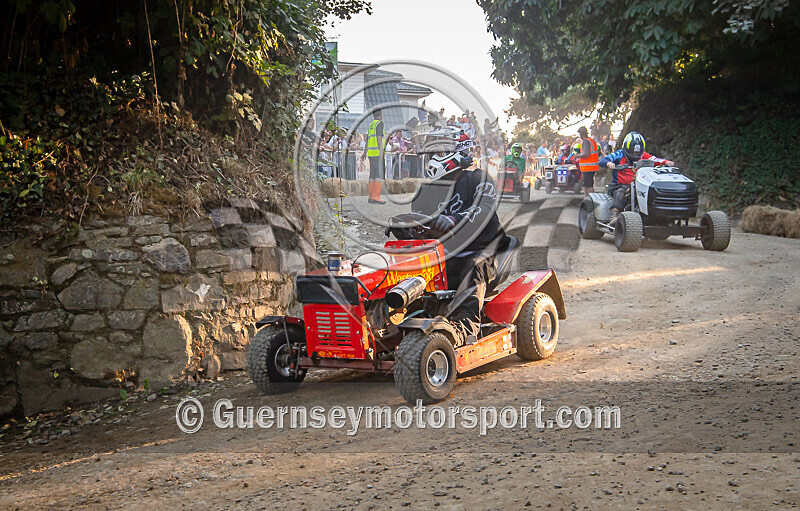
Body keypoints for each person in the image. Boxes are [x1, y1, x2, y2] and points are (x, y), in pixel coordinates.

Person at [423, 132, 505, 346]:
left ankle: (464, 328)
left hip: (483, 251)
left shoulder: (479, 178)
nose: (432, 157)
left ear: (455, 153)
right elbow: (425, 221)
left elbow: (484, 209)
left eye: (438, 152)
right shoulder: (432, 190)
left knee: (472, 266)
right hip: (448, 252)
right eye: (431, 153)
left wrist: (453, 219)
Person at [599, 131, 674, 222]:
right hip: (620, 184)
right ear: (626, 148)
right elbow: (604, 160)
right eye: (632, 151)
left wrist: (665, 162)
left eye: (637, 152)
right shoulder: (619, 154)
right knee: (622, 192)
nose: (635, 154)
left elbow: (655, 159)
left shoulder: (644, 155)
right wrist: (609, 163)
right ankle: (614, 214)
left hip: (639, 183)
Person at [361, 110, 385, 203]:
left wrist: (364, 153)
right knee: (377, 175)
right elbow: (379, 138)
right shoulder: (380, 123)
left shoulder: (371, 125)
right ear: (381, 115)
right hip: (377, 153)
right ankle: (376, 196)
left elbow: (367, 140)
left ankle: (371, 196)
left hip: (371, 153)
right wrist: (381, 151)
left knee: (372, 175)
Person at [574, 126, 600, 196]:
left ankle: (588, 200)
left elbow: (586, 154)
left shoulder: (586, 142)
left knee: (587, 186)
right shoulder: (591, 141)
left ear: (581, 134)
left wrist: (577, 155)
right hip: (591, 167)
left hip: (588, 167)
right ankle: (590, 199)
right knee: (588, 184)